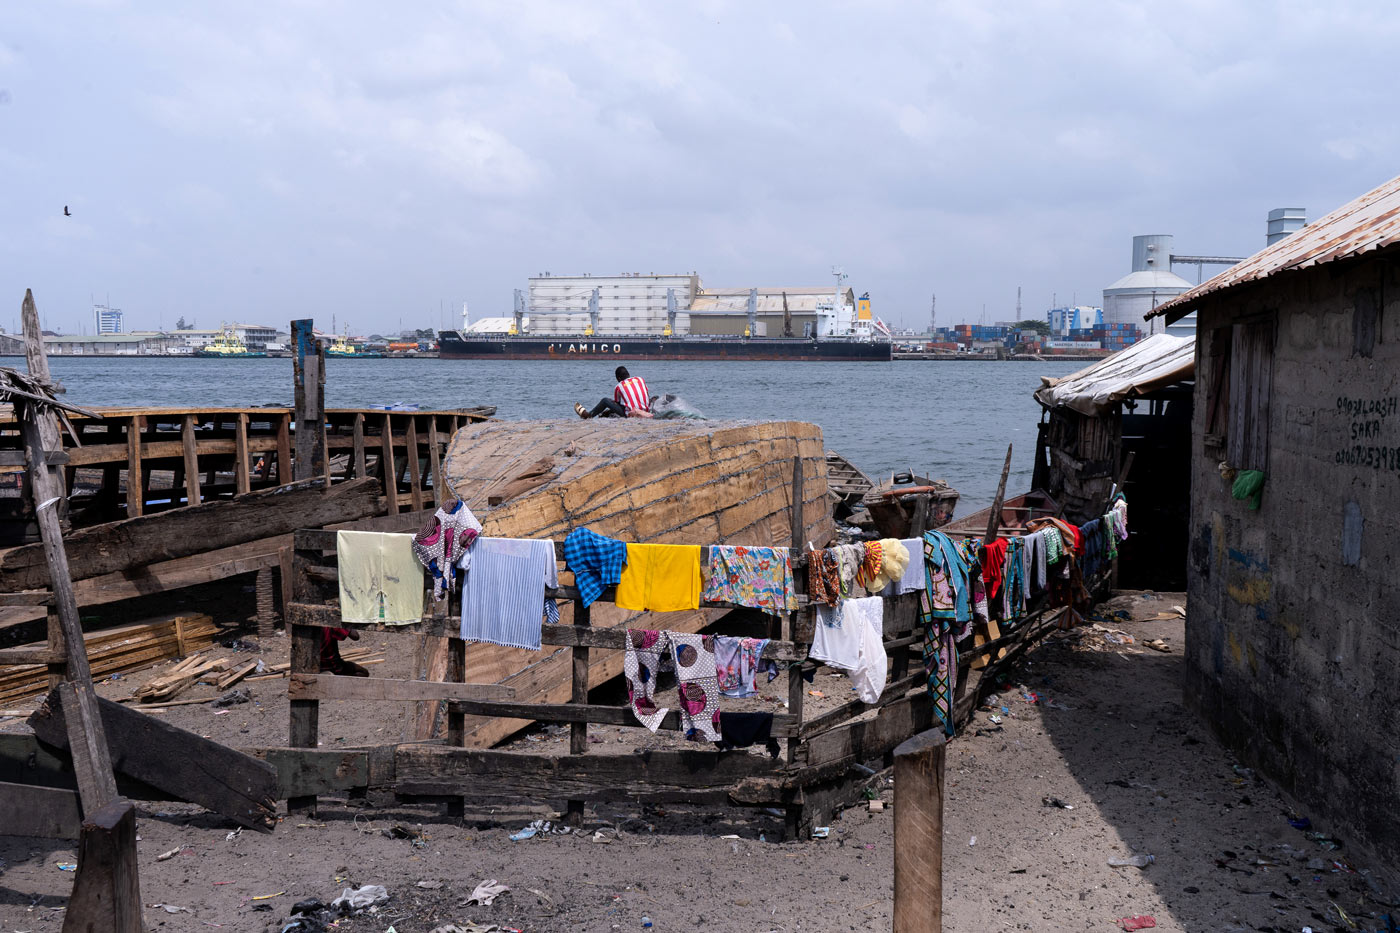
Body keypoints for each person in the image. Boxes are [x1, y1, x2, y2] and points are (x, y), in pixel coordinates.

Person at [576, 366, 653, 418]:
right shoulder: (640, 379)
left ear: (618, 378)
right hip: (647, 410)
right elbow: (646, 394)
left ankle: (589, 415)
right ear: (628, 374)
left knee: (605, 401)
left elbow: (617, 404)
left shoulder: (619, 386)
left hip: (631, 414)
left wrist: (607, 411)